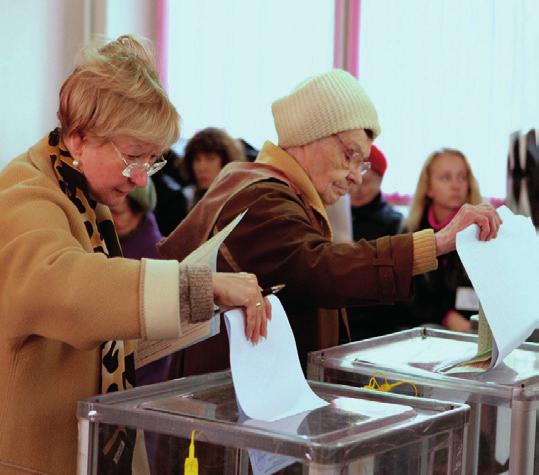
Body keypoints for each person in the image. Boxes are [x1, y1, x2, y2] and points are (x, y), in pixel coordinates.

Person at [0, 35, 270, 475]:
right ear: (78, 138)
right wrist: (199, 287)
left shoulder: (81, 193)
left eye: (154, 160)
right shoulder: (24, 196)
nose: (142, 178)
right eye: (132, 157)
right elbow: (72, 290)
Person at [159, 69, 501, 376]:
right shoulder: (263, 198)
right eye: (350, 155)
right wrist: (438, 242)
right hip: (223, 416)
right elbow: (321, 268)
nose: (355, 178)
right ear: (311, 137)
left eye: (363, 165)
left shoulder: (268, 188)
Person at [402, 148, 483, 332]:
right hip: (426, 329)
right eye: (446, 178)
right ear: (429, 188)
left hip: (473, 328)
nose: (456, 185)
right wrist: (445, 317)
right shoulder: (411, 232)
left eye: (462, 177)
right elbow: (409, 301)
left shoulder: (481, 231)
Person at [346, 145, 405, 340]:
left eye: (367, 181)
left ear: (381, 181)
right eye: (353, 181)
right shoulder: (331, 213)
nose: (358, 189)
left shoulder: (393, 222)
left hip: (375, 318)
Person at [181, 127, 246, 209]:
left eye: (210, 159)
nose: (201, 167)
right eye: (197, 159)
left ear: (227, 162)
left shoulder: (242, 200)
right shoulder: (186, 198)